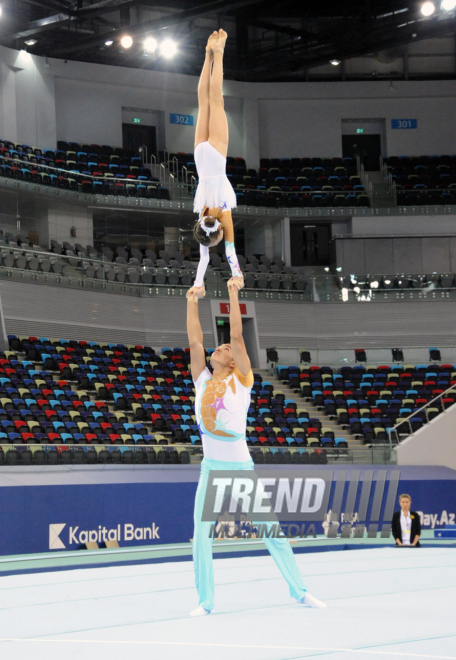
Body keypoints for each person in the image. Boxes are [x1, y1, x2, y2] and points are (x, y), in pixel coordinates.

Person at [186, 278, 327, 616]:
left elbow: (236, 336)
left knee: (272, 532)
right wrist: (192, 300)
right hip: (211, 469)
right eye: (217, 348)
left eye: (224, 349)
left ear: (235, 360)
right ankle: (205, 602)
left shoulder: (242, 379)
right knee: (201, 536)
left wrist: (233, 294)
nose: (218, 349)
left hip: (240, 469)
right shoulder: (203, 379)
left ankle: (300, 591)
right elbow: (194, 340)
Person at [191, 29, 243, 294]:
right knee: (203, 103)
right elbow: (203, 258)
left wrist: (238, 274)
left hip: (215, 159)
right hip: (200, 158)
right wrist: (197, 283)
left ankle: (219, 52)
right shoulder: (202, 218)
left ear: (219, 231)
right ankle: (207, 56)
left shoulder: (222, 215)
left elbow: (230, 251)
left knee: (216, 102)